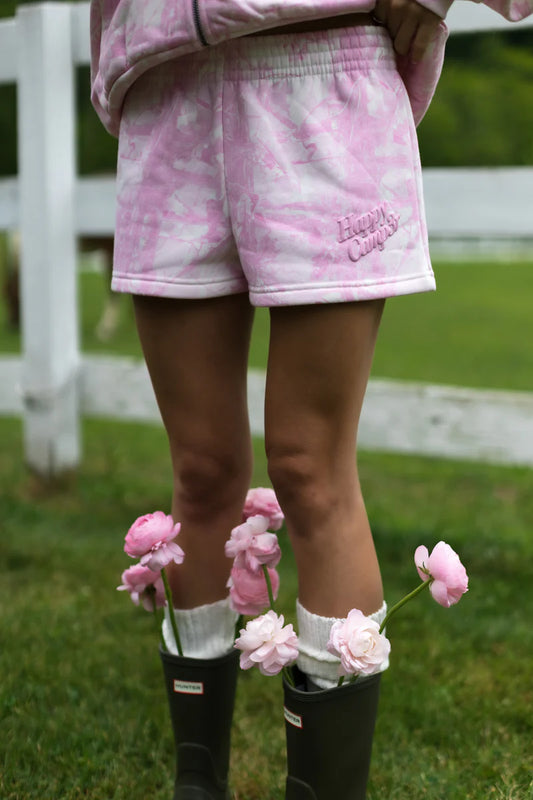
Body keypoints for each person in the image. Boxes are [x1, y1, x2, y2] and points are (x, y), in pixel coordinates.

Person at [90, 0, 532, 798]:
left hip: (321, 77)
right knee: (200, 470)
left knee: (308, 467)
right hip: (166, 94)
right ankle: (199, 783)